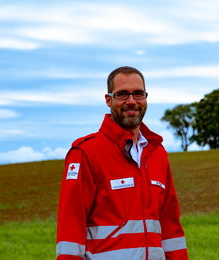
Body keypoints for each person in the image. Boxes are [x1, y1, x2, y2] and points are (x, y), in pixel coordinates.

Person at [56, 66, 188, 260]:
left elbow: (170, 227)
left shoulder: (158, 154)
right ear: (108, 100)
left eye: (138, 94)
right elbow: (70, 231)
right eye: (122, 94)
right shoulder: (85, 153)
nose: (131, 101)